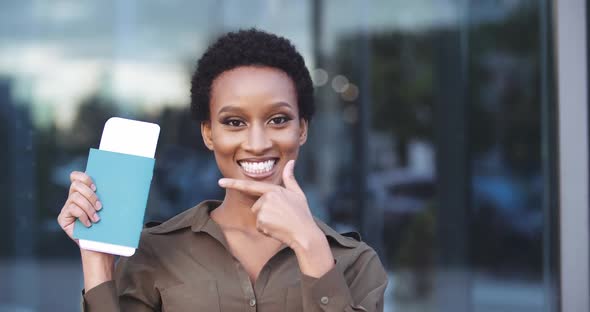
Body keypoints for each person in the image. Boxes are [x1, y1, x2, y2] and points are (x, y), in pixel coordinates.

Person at [57, 29, 388, 311]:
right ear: (208, 133)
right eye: (234, 122)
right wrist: (97, 261)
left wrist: (311, 247)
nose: (257, 143)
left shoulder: (356, 264)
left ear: (302, 129)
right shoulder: (152, 252)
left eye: (278, 119)